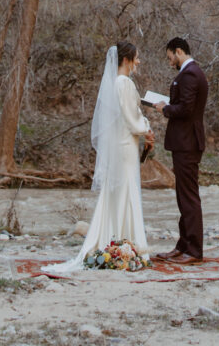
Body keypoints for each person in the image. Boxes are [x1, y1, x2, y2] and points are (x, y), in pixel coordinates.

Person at [43, 41, 154, 274]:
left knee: (118, 192)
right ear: (126, 60)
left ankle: (117, 240)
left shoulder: (114, 84)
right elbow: (131, 118)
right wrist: (147, 127)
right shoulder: (124, 84)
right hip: (125, 145)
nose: (138, 62)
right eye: (136, 58)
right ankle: (123, 242)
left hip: (121, 143)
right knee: (125, 190)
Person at [154, 36, 208, 264]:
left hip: (187, 143)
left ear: (178, 51)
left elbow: (186, 109)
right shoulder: (191, 73)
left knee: (188, 197)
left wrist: (165, 108)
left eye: (170, 58)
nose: (169, 63)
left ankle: (194, 250)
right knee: (183, 196)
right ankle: (183, 245)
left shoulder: (190, 74)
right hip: (185, 143)